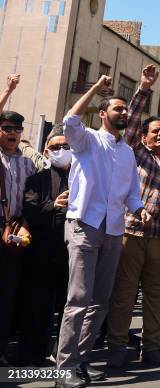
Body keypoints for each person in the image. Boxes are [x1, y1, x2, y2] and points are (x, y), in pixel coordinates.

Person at [56, 75, 149, 388]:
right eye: (118, 109)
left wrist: (139, 209)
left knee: (101, 300)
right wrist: (95, 89)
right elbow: (69, 119)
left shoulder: (128, 153)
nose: (123, 113)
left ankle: (80, 361)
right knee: (79, 298)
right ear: (102, 114)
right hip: (84, 225)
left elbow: (133, 192)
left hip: (113, 229)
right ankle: (62, 369)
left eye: (126, 110)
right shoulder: (86, 140)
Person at [106, 65, 160, 367]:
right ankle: (116, 347)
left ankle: (151, 347)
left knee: (157, 295)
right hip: (133, 233)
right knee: (124, 292)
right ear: (144, 136)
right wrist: (144, 87)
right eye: (155, 131)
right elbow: (135, 117)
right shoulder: (136, 154)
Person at [19, 126, 71, 365]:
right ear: (46, 151)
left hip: (72, 253)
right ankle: (32, 354)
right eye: (56, 147)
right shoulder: (37, 179)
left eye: (66, 146)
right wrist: (54, 205)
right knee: (38, 305)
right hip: (42, 252)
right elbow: (31, 211)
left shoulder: (82, 177)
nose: (61, 150)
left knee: (68, 307)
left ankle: (62, 355)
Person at [0, 74, 37, 367]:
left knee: (8, 295)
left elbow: (32, 200)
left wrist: (25, 224)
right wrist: (9, 90)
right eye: (7, 127)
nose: (13, 132)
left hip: (15, 233)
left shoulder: (28, 163)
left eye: (17, 129)